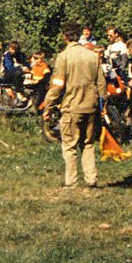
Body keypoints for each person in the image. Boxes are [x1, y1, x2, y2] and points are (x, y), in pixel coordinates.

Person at [43, 22, 107, 188]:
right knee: (88, 144)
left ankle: (71, 182)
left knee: (69, 147)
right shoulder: (93, 56)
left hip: (72, 107)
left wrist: (48, 106)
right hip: (91, 107)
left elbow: (58, 85)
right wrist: (102, 107)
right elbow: (101, 84)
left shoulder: (63, 56)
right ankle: (91, 179)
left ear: (65, 36)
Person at [2, 41, 31, 105]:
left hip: (18, 72)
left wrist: (27, 67)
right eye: (10, 48)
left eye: (13, 49)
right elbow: (9, 67)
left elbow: (26, 62)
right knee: (18, 73)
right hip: (8, 74)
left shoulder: (20, 54)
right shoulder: (8, 56)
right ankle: (18, 92)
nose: (11, 50)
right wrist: (21, 68)